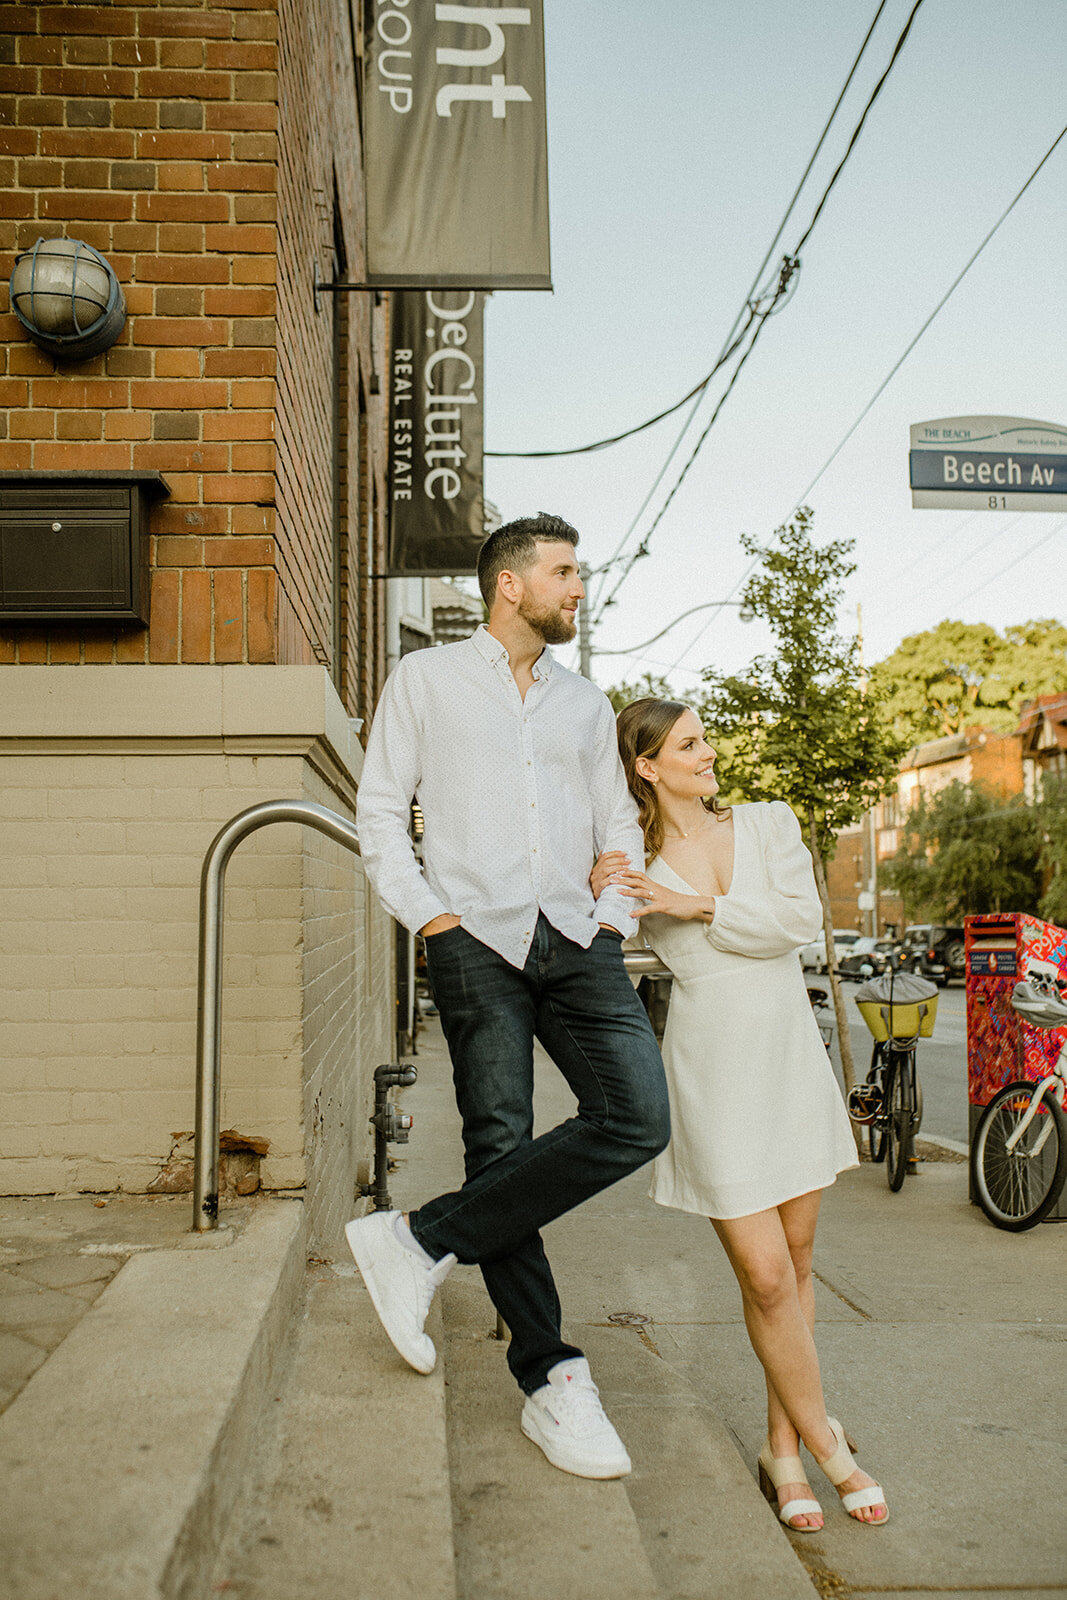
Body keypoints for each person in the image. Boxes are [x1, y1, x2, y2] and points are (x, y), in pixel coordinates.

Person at [345, 515, 670, 1480]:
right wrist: (431, 919)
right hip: (474, 939)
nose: (578, 588)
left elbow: (620, 824)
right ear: (508, 585)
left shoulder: (583, 703)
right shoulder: (426, 681)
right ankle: (551, 1378)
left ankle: (420, 1238)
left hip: (577, 940)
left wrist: (614, 916)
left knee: (637, 1117)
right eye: (565, 572)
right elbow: (375, 815)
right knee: (501, 1144)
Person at [593, 697, 888, 1528]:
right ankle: (829, 1446)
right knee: (762, 1274)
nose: (708, 752)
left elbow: (799, 922)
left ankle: (783, 1449)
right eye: (688, 744)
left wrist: (699, 908)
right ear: (646, 766)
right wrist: (607, 901)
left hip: (786, 1055)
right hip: (710, 1064)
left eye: (704, 738)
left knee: (794, 1269)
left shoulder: (766, 824)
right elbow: (604, 946)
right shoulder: (628, 858)